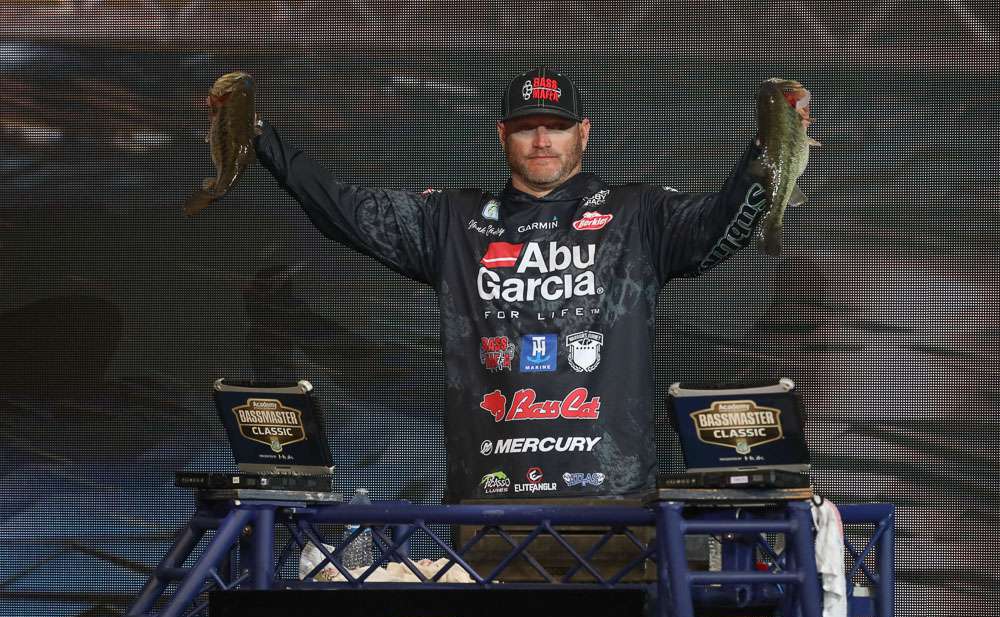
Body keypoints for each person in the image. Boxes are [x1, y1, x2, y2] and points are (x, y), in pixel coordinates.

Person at [254, 66, 778, 502]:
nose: (543, 140)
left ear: (584, 133)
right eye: (527, 127)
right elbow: (342, 207)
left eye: (557, 126)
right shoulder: (454, 221)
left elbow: (721, 226)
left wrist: (769, 147)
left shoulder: (637, 213)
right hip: (486, 498)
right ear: (503, 134)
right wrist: (256, 134)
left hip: (613, 497)